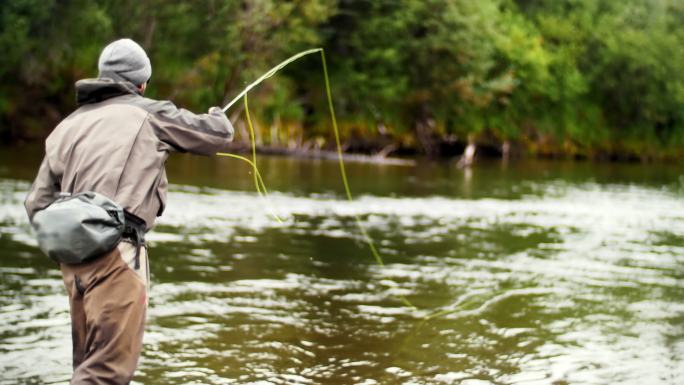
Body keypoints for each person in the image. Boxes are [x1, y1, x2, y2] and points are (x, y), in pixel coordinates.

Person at [24, 38, 234, 384]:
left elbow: (36, 203)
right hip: (117, 254)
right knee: (106, 372)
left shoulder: (66, 126)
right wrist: (218, 116)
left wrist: (72, 242)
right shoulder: (151, 113)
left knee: (86, 365)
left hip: (71, 264)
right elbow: (217, 136)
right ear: (141, 82)